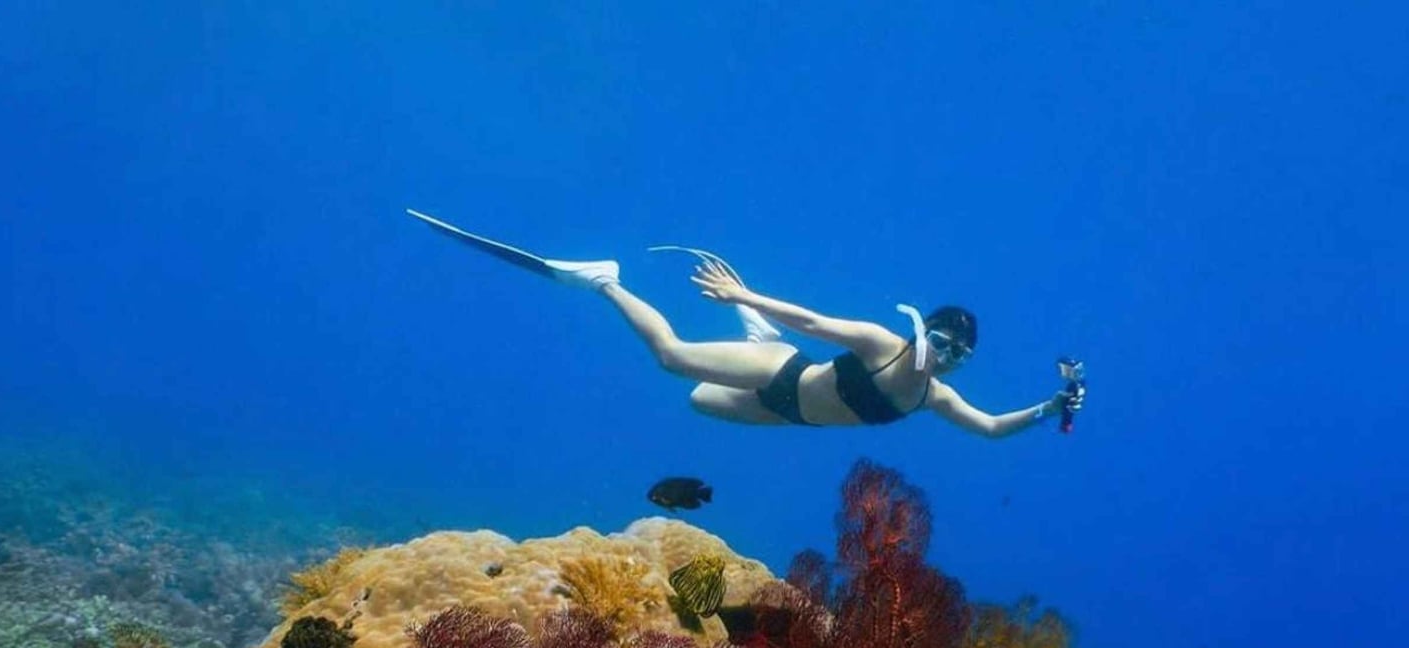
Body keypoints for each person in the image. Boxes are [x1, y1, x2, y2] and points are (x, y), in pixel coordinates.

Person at [407, 210, 1085, 436]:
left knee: (699, 404)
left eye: (959, 351)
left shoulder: (933, 396)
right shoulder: (883, 344)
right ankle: (604, 279)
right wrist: (747, 292)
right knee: (671, 358)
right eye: (942, 339)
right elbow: (815, 319)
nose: (948, 354)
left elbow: (993, 429)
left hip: (787, 416)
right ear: (922, 330)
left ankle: (756, 333)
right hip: (784, 372)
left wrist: (1051, 404)